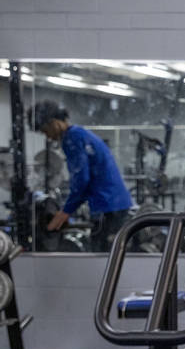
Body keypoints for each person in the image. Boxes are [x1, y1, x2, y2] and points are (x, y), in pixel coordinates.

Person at [30, 99, 133, 252]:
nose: (48, 137)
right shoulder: (80, 134)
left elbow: (81, 179)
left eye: (45, 131)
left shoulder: (71, 138)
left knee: (103, 257)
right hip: (115, 204)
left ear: (53, 123)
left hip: (108, 207)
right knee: (111, 254)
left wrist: (65, 212)